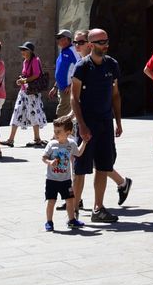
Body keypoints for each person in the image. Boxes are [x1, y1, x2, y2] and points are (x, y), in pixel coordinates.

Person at [71, 27, 128, 221]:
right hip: (87, 123)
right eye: (101, 42)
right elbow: (74, 99)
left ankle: (98, 208)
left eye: (106, 41)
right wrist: (82, 125)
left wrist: (118, 122)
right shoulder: (82, 67)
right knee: (81, 169)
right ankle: (74, 213)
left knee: (103, 166)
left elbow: (115, 95)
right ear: (90, 45)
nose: (105, 45)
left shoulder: (112, 65)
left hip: (105, 123)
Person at [41, 116, 86, 231]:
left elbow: (79, 153)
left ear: (68, 132)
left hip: (65, 180)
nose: (56, 134)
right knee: (51, 201)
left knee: (70, 200)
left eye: (58, 131)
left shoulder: (71, 144)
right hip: (52, 180)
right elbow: (44, 157)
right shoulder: (51, 144)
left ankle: (72, 220)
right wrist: (50, 162)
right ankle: (49, 222)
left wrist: (84, 142)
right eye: (55, 131)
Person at [6, 41, 46, 147]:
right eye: (21, 50)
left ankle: (37, 139)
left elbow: (37, 74)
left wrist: (25, 81)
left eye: (24, 50)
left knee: (33, 113)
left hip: (32, 92)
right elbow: (25, 74)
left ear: (30, 51)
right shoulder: (25, 62)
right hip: (24, 91)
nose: (22, 52)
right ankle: (10, 140)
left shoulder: (35, 60)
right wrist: (21, 79)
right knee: (17, 111)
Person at [49, 30, 78, 120]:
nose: (57, 40)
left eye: (59, 38)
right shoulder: (63, 51)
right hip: (62, 89)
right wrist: (55, 86)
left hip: (68, 89)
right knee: (65, 114)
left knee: (62, 113)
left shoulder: (73, 51)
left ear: (66, 39)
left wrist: (71, 85)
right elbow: (61, 71)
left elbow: (79, 68)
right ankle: (65, 133)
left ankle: (58, 133)